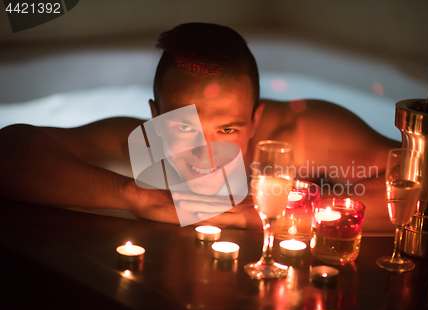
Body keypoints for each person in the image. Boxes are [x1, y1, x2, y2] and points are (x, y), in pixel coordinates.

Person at [0, 23, 399, 232]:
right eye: (184, 129)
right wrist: (141, 198)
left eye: (227, 130)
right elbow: (10, 149)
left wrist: (269, 214)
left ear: (256, 120)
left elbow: (420, 185)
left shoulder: (305, 133)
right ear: (156, 118)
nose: (206, 154)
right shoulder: (145, 146)